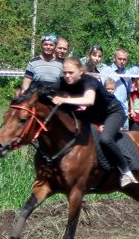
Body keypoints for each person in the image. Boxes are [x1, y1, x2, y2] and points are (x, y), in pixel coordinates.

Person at [51, 57, 134, 185]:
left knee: (105, 139)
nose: (67, 76)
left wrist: (64, 100)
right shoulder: (63, 82)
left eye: (71, 72)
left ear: (80, 71)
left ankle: (126, 171)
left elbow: (89, 100)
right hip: (93, 114)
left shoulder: (89, 81)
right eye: (65, 72)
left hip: (113, 112)